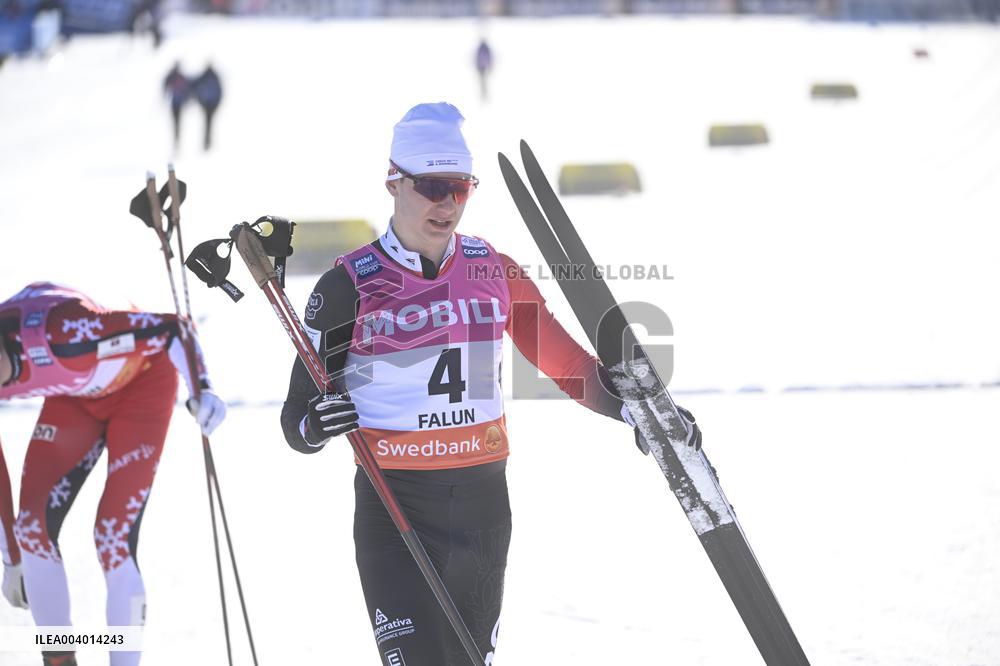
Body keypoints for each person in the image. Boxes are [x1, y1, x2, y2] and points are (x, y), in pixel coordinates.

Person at [280, 102, 701, 665]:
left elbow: (569, 367)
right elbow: (297, 420)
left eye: (460, 188)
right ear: (394, 182)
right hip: (395, 508)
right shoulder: (347, 285)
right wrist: (316, 425)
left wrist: (636, 413)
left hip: (482, 511)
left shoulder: (493, 270)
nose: (447, 204)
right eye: (432, 187)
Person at [0, 282, 227, 666]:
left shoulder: (67, 332)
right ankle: (58, 660)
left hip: (142, 384)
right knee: (31, 530)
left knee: (111, 537)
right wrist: (12, 558)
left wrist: (201, 387)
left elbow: (173, 328)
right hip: (75, 395)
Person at [190, 63, 223, 151]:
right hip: (207, 104)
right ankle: (207, 141)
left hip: (209, 104)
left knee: (208, 122)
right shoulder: (213, 77)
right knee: (208, 122)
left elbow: (195, 86)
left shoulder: (209, 77)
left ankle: (207, 142)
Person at [162, 61, 189, 150]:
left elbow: (165, 84)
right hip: (176, 103)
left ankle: (177, 139)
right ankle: (176, 139)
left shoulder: (174, 76)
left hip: (177, 103)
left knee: (176, 122)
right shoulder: (177, 76)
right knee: (177, 122)